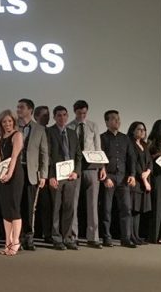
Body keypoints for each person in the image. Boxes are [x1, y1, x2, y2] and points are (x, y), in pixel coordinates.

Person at [66, 99, 105, 248]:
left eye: (84, 113)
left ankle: (93, 237)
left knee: (93, 204)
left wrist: (102, 167)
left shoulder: (93, 126)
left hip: (92, 167)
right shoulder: (69, 127)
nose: (82, 115)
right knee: (73, 203)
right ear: (74, 112)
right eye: (79, 113)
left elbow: (98, 148)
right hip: (75, 168)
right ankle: (73, 235)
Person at [46, 106, 83, 251]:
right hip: (56, 176)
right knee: (56, 208)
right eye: (59, 115)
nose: (62, 118)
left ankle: (68, 238)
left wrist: (76, 172)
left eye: (64, 115)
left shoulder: (72, 133)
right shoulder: (49, 132)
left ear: (68, 116)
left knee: (69, 208)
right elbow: (47, 156)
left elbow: (78, 155)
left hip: (70, 176)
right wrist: (50, 176)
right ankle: (56, 238)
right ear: (54, 117)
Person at [99, 110, 137, 248]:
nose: (117, 121)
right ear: (107, 122)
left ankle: (126, 238)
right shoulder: (102, 138)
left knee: (126, 208)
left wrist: (132, 174)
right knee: (106, 209)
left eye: (118, 119)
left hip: (123, 178)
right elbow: (100, 158)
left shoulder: (125, 138)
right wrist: (105, 178)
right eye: (114, 119)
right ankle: (106, 237)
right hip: (108, 177)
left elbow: (131, 157)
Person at [16, 98, 48, 251]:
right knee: (15, 205)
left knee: (29, 206)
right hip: (15, 170)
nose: (18, 110)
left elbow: (44, 153)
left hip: (31, 172)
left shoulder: (39, 129)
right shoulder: (13, 126)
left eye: (21, 107)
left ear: (30, 110)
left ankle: (28, 237)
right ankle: (16, 238)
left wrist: (43, 175)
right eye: (17, 107)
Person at [0, 110, 24, 256]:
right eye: (4, 122)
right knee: (5, 209)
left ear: (14, 122)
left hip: (15, 174)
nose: (7, 124)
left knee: (14, 208)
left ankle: (16, 241)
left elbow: (14, 157)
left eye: (9, 121)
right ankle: (8, 242)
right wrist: (0, 174)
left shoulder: (17, 135)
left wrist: (9, 174)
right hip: (2, 175)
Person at [126, 121, 152, 245]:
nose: (142, 131)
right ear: (133, 131)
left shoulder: (144, 145)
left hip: (144, 179)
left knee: (138, 210)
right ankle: (130, 236)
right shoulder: (130, 144)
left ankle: (136, 235)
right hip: (135, 180)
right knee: (132, 209)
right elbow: (134, 163)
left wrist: (148, 172)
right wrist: (144, 179)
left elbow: (150, 161)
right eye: (139, 129)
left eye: (144, 129)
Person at [33, 104, 53, 244]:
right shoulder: (32, 131)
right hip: (34, 172)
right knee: (32, 205)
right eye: (44, 115)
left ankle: (47, 233)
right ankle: (32, 233)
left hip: (49, 172)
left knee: (47, 205)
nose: (47, 118)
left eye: (48, 115)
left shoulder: (51, 132)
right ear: (36, 116)